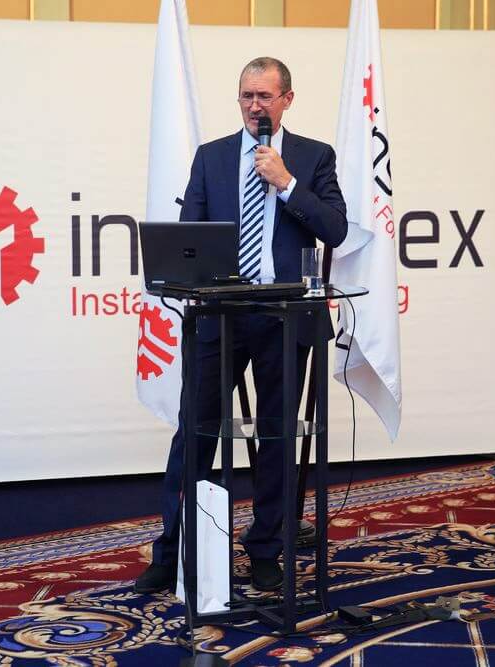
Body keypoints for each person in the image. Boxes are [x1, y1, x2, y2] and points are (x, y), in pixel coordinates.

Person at [135, 57, 348, 593]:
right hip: (220, 317)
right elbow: (189, 235)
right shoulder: (211, 157)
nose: (255, 106)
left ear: (287, 100)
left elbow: (336, 229)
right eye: (246, 96)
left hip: (284, 318)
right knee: (195, 433)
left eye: (265, 96)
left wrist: (287, 183)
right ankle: (173, 550)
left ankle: (266, 549)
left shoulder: (313, 157)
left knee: (277, 435)